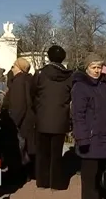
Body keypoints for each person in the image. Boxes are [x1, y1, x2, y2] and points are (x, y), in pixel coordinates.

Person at [72, 53, 106, 199]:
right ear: (87, 68)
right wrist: (82, 138)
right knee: (89, 179)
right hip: (90, 139)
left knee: (103, 178)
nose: (96, 70)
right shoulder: (80, 87)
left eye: (99, 67)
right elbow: (78, 115)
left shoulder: (104, 86)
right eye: (93, 67)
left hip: (105, 137)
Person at [33, 45, 73, 190]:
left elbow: (33, 93)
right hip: (60, 118)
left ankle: (43, 181)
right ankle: (56, 182)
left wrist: (38, 107)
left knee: (43, 153)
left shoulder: (40, 74)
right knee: (57, 153)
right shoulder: (69, 76)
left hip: (43, 117)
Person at [8, 58, 35, 180]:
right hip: (29, 120)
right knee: (25, 149)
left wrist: (13, 122)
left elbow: (19, 105)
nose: (12, 69)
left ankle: (18, 175)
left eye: (13, 66)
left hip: (20, 121)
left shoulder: (19, 81)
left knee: (19, 149)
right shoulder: (28, 79)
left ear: (19, 68)